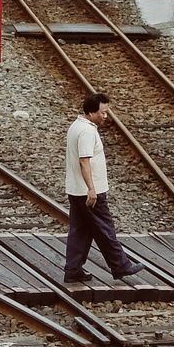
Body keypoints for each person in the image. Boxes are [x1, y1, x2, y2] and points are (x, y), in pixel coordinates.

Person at [63, 92, 144, 285]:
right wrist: (92, 190)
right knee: (105, 228)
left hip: (75, 189)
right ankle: (120, 265)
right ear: (91, 112)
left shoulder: (76, 126)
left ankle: (73, 270)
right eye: (103, 112)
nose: (106, 116)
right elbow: (84, 161)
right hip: (90, 191)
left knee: (80, 230)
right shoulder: (87, 131)